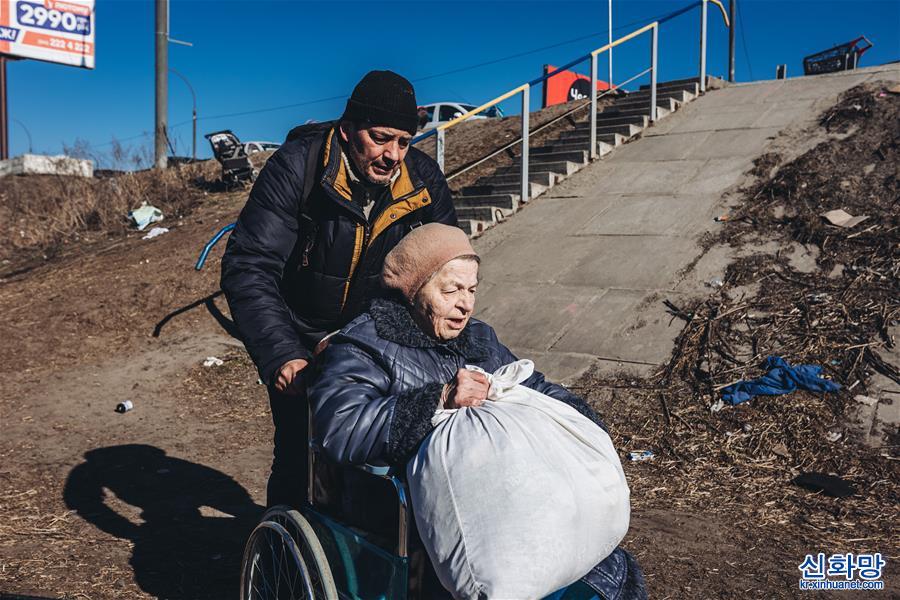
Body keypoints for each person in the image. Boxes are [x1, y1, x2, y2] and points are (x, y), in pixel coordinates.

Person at [308, 223, 646, 599]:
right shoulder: (364, 344)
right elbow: (339, 429)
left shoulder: (478, 338)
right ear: (413, 289)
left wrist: (581, 422)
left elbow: (532, 386)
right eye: (451, 290)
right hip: (401, 507)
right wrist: (438, 399)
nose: (465, 304)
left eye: (471, 290)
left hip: (499, 490)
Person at [220, 70, 458, 509]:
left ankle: (357, 560)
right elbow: (250, 266)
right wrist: (282, 354)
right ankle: (279, 560)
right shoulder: (298, 166)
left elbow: (449, 265)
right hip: (302, 336)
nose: (393, 155)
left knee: (385, 453)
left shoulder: (422, 181)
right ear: (348, 130)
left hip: (377, 340)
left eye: (404, 142)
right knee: (299, 455)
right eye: (381, 138)